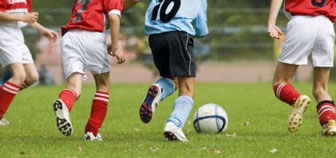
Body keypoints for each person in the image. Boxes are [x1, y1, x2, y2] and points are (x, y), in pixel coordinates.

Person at [127, 0, 208, 141]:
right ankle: (174, 125)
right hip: (179, 34)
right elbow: (201, 28)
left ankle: (158, 88)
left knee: (171, 78)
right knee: (188, 89)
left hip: (155, 37)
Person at [52, 0, 125, 141]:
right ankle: (92, 131)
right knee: (103, 84)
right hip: (93, 35)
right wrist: (115, 48)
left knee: (74, 88)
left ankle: (64, 104)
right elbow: (114, 17)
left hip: (70, 37)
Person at [268, 0, 336, 135]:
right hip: (326, 25)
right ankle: (330, 124)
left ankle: (297, 99)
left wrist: (271, 23)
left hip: (301, 21)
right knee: (321, 89)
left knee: (280, 82)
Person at [0, 0, 58, 126]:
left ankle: (3, 95)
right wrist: (22, 17)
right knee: (19, 76)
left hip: (17, 35)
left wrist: (43, 30)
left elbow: (27, 17)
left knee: (32, 77)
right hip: (3, 33)